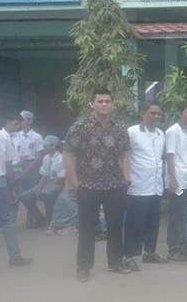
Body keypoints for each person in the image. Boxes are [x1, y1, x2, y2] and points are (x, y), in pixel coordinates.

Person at [64, 88, 131, 281]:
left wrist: (125, 179)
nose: (103, 104)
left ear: (112, 104)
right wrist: (76, 184)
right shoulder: (80, 127)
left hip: (115, 185)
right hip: (88, 186)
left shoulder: (119, 128)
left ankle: (116, 262)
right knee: (87, 228)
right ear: (92, 104)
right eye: (99, 101)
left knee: (116, 226)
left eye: (107, 101)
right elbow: (68, 155)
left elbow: (125, 154)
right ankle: (83, 268)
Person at [123, 103, 168, 272]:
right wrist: (126, 179)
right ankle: (129, 256)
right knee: (135, 223)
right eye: (153, 113)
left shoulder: (160, 134)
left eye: (159, 114)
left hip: (155, 186)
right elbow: (124, 156)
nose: (156, 116)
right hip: (138, 186)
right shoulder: (132, 132)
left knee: (153, 221)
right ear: (143, 113)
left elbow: (160, 159)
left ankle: (149, 252)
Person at [0, 111, 33, 268]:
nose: (18, 126)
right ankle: (15, 257)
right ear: (8, 121)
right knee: (7, 221)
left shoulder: (6, 138)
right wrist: (13, 190)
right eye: (16, 123)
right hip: (1, 182)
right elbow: (8, 167)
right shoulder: (4, 139)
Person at [165, 102, 187, 262]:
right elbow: (170, 155)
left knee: (186, 213)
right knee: (176, 214)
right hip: (177, 179)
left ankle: (184, 245)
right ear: (180, 114)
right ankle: (173, 248)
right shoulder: (173, 131)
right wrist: (172, 178)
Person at [20, 135, 64, 233]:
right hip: (47, 183)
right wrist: (39, 187)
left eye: (46, 146)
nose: (44, 148)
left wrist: (44, 188)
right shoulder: (46, 158)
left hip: (57, 184)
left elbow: (61, 179)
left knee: (46, 194)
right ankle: (40, 219)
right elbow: (44, 175)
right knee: (25, 196)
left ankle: (50, 222)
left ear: (54, 146)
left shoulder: (61, 159)